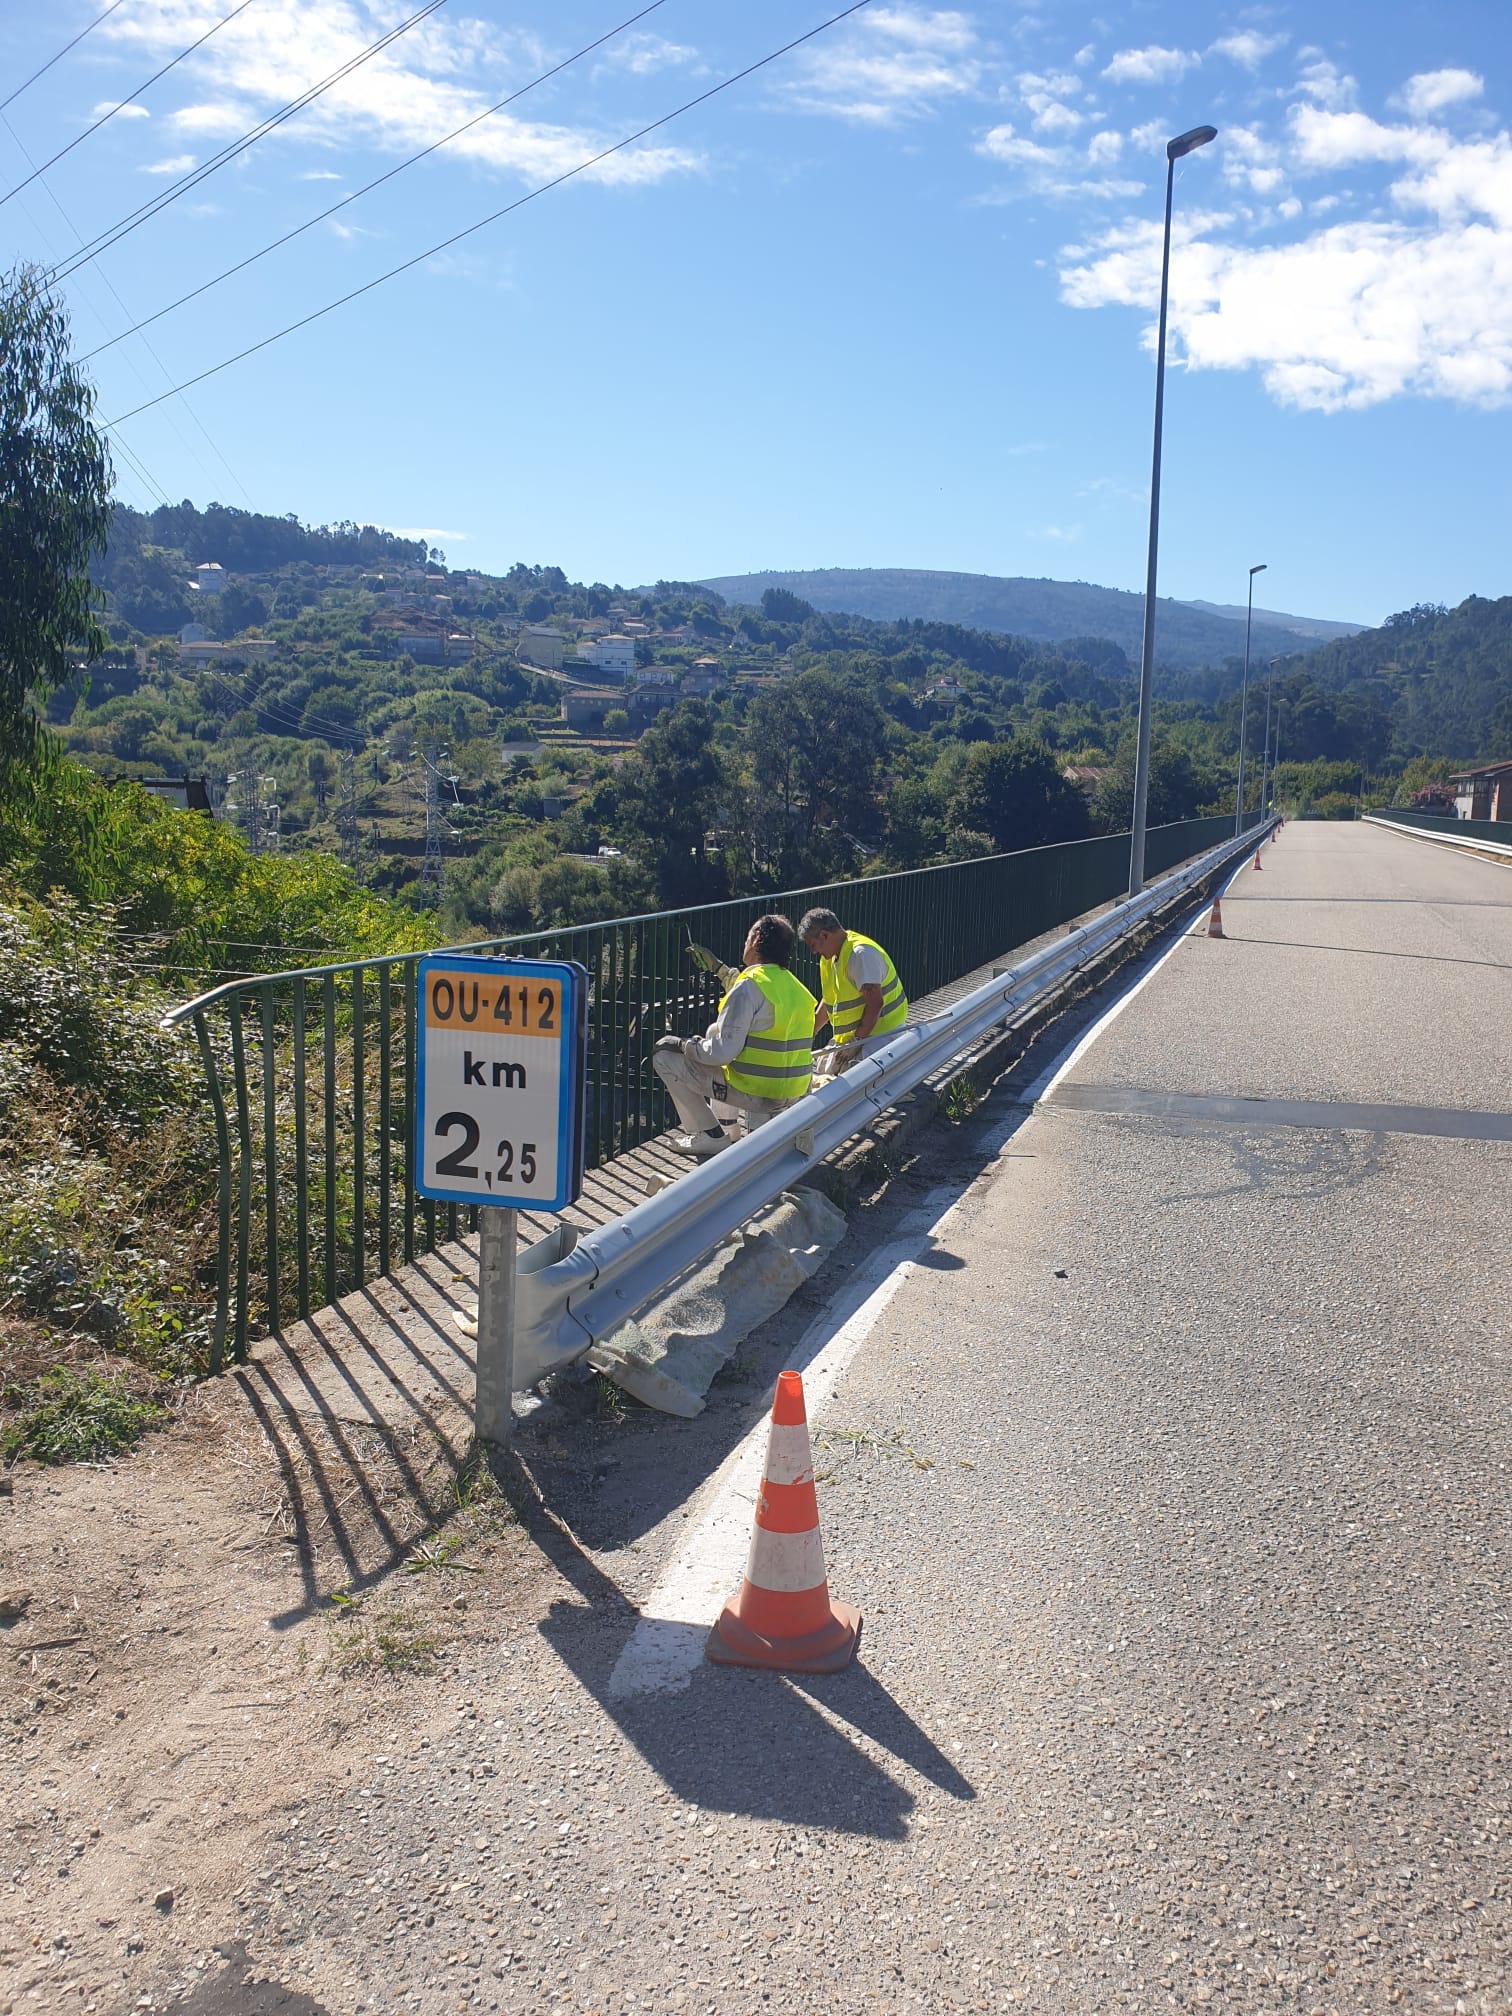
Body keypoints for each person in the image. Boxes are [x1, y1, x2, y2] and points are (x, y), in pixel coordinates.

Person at [653, 913, 817, 1157]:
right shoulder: (797, 989)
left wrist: (684, 1045)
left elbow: (720, 1053)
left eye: (747, 938)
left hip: (757, 1093)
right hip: (793, 1092)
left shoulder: (749, 985)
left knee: (664, 1056)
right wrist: (718, 968)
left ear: (756, 939)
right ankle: (728, 1128)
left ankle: (710, 1135)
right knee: (715, 1034)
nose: (744, 943)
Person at [798, 908, 908, 1072]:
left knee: (851, 1077)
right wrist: (810, 1031)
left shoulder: (861, 954)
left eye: (813, 945)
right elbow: (830, 1001)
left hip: (882, 1034)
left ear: (824, 935)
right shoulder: (830, 958)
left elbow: (875, 1004)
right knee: (824, 1069)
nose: (813, 951)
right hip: (859, 1035)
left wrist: (856, 1042)